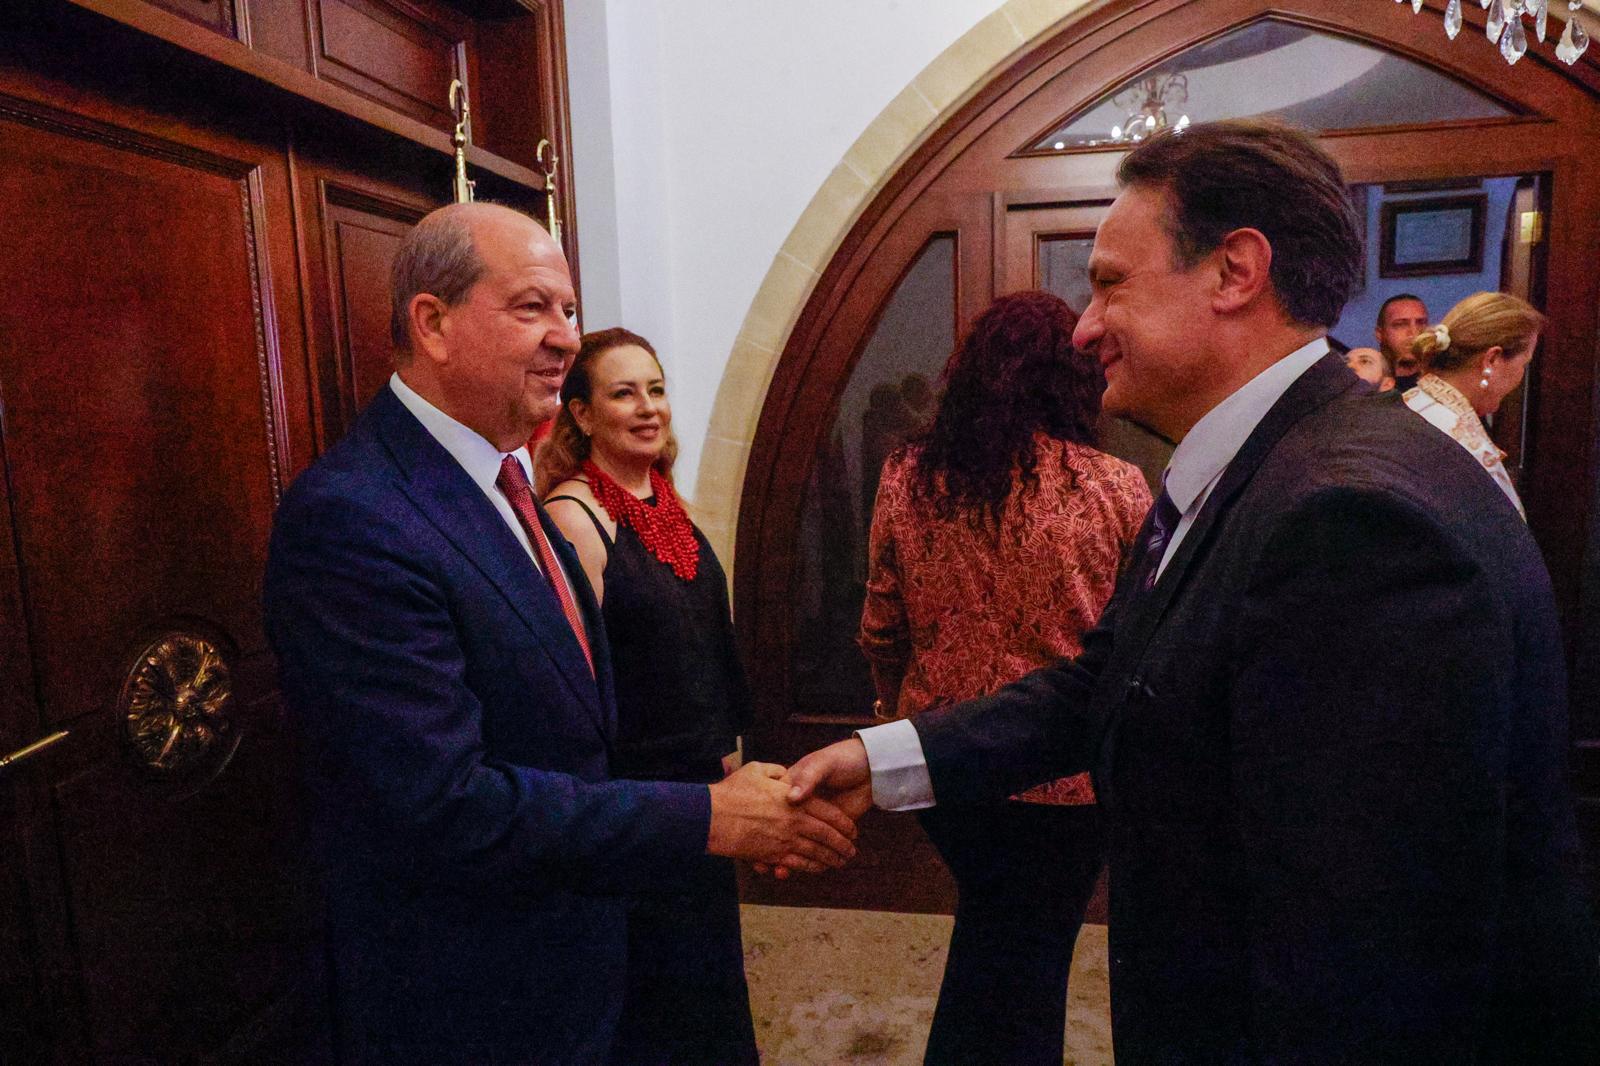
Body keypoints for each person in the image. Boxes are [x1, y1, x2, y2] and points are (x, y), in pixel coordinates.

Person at [784, 121, 1599, 1063]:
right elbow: (1106, 680)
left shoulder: (1352, 519)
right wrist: (879, 758)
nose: (1084, 327)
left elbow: (1360, 963)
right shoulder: (1261, 468)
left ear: (1234, 272)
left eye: (1110, 284)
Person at [263, 203, 857, 1065]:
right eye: (533, 307)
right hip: (475, 992)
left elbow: (576, 722)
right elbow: (444, 805)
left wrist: (729, 796)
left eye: (570, 311)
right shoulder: (353, 518)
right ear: (432, 323)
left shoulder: (503, 480)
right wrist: (705, 817)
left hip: (581, 944)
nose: (566, 338)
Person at [859, 290, 1151, 1065]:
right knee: (1028, 952)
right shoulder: (1117, 486)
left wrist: (891, 708)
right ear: (1073, 378)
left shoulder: (909, 475)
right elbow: (1140, 640)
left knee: (1002, 935)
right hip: (1067, 776)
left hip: (944, 759)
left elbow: (882, 620)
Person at [535, 327, 759, 1065]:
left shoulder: (666, 499)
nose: (648, 407)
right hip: (638, 795)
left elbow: (705, 640)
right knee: (659, 996)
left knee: (709, 978)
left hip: (702, 781)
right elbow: (574, 689)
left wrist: (729, 752)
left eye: (656, 390)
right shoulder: (574, 517)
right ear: (582, 415)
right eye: (624, 393)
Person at [1405, 292, 1543, 519]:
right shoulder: (1464, 447)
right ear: (1492, 359)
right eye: (1524, 364)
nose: (1522, 375)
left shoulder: (1408, 403)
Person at [1375, 292, 1430, 389]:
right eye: (1400, 324)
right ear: (1380, 334)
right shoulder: (1369, 385)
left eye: (1421, 323)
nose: (1414, 332)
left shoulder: (1445, 381)